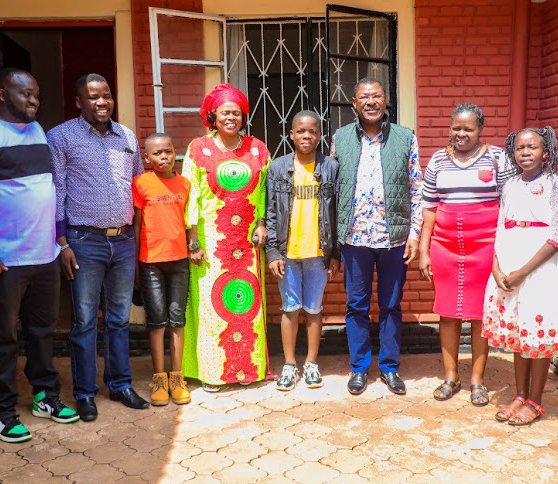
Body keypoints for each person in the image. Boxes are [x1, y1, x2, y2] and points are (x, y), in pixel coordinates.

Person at [0, 68, 79, 443]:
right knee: (3, 336)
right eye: (26, 94)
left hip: (43, 254)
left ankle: (45, 397)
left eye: (36, 94)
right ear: (3, 94)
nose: (34, 100)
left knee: (41, 331)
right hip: (2, 258)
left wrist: (57, 244)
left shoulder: (36, 131)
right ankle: (2, 412)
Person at [48, 73, 149, 421]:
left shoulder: (128, 137)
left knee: (120, 319)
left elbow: (138, 189)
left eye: (106, 95)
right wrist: (62, 243)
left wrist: (137, 238)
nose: (102, 102)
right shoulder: (61, 137)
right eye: (93, 97)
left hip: (122, 241)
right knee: (85, 321)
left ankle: (120, 385)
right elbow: (57, 192)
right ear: (79, 102)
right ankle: (85, 393)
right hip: (83, 241)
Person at [331, 77, 424, 396]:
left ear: (386, 102)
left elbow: (417, 188)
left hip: (394, 238)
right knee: (356, 305)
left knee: (391, 304)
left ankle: (389, 367)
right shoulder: (340, 138)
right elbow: (331, 192)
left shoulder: (404, 137)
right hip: (354, 239)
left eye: (377, 96)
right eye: (364, 97)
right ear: (353, 103)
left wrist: (414, 233)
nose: (371, 102)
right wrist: (332, 241)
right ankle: (359, 368)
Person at [418, 103, 514, 406]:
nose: (461, 134)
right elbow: (430, 208)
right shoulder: (437, 160)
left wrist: (506, 252)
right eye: (456, 128)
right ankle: (451, 376)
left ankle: (476, 379)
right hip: (444, 247)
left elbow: (510, 203)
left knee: (479, 315)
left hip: (485, 247)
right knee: (447, 314)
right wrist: (424, 249)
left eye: (468, 129)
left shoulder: (498, 158)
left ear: (480, 130)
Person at [181, 83, 272, 392]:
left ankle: (247, 369)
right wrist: (192, 241)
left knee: (247, 303)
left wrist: (261, 223)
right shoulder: (197, 149)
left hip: (247, 241)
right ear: (213, 116)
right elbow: (190, 196)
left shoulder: (258, 148)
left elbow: (264, 191)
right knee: (212, 305)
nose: (231, 117)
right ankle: (213, 373)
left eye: (236, 112)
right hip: (211, 241)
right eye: (224, 112)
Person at [482, 126, 558, 426]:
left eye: (532, 148)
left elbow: (557, 237)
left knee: (537, 337)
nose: (525, 153)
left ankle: (536, 400)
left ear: (546, 152)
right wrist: (496, 267)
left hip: (539, 272)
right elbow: (500, 227)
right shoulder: (509, 186)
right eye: (520, 148)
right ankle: (519, 394)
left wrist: (524, 272)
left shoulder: (557, 186)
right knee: (520, 336)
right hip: (508, 268)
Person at [266, 110, 340, 391]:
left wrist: (335, 253)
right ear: (291, 135)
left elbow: (336, 212)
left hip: (319, 253)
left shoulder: (330, 167)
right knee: (289, 308)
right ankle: (288, 364)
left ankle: (310, 363)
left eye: (312, 131)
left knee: (313, 309)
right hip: (288, 252)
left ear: (319, 135)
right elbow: (270, 212)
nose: (306, 136)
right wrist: (272, 252)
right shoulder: (278, 168)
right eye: (301, 131)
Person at [133, 133, 192, 405]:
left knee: (177, 320)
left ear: (175, 153)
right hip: (150, 262)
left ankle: (177, 378)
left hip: (179, 261)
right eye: (157, 153)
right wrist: (135, 261)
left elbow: (191, 221)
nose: (163, 157)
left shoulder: (185, 184)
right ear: (147, 158)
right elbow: (136, 224)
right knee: (157, 322)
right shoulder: (141, 183)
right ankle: (159, 378)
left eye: (168, 151)